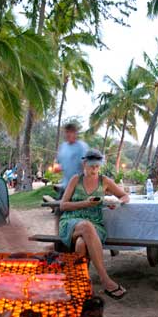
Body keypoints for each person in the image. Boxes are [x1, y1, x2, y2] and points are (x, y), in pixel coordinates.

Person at [59, 148, 130, 299]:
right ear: (84, 163)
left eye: (98, 166)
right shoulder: (75, 180)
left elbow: (124, 196)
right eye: (92, 166)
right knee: (85, 226)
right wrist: (85, 203)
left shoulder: (104, 181)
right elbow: (63, 206)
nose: (95, 169)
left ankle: (81, 282)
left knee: (81, 244)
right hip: (71, 221)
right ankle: (105, 280)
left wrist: (117, 202)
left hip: (95, 224)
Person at [56, 122, 88, 198]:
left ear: (75, 133)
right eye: (67, 132)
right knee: (60, 207)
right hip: (65, 185)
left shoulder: (82, 147)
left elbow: (86, 165)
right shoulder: (63, 147)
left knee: (67, 207)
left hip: (78, 187)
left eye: (71, 132)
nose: (68, 134)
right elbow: (60, 164)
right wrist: (58, 168)